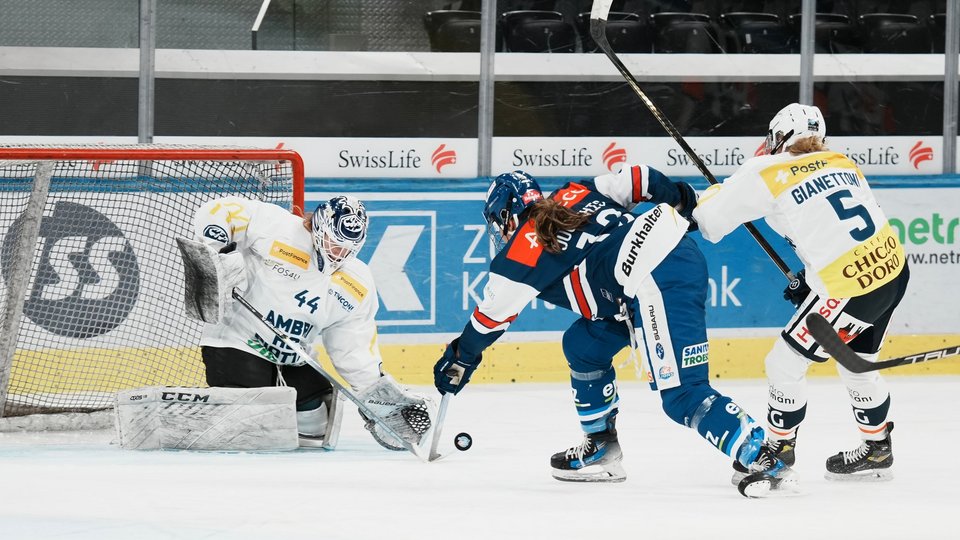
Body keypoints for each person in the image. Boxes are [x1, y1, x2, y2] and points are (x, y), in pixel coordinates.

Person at [433, 167, 797, 497]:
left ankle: (762, 453)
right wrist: (684, 200)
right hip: (658, 268)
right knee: (583, 344)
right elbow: (639, 178)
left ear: (504, 215)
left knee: (683, 395)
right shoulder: (574, 191)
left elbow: (489, 320)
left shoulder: (521, 251)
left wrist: (461, 357)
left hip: (656, 279)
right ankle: (601, 446)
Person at [691, 103, 909, 481]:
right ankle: (876, 447)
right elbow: (834, 225)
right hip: (892, 270)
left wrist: (719, 191)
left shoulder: (766, 170)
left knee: (784, 363)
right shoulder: (841, 161)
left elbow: (710, 223)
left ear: (778, 137)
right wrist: (812, 282)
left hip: (849, 285)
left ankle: (778, 449)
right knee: (856, 362)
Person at [190, 194, 426, 450]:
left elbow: (353, 348)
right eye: (333, 243)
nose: (338, 253)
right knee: (251, 422)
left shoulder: (357, 282)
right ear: (318, 228)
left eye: (347, 248)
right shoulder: (279, 227)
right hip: (238, 342)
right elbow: (220, 210)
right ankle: (206, 413)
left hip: (293, 357)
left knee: (316, 425)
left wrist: (378, 397)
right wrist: (218, 253)